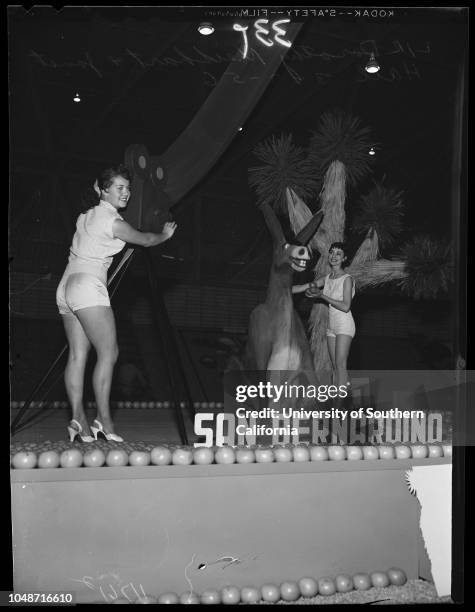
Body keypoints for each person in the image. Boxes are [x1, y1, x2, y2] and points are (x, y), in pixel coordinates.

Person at [56, 164, 177, 442]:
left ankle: (77, 419)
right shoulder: (114, 222)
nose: (126, 193)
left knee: (77, 355)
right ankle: (104, 421)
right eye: (120, 188)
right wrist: (165, 235)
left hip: (66, 286)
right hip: (87, 286)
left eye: (128, 188)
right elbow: (146, 240)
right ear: (104, 190)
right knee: (108, 354)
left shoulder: (83, 217)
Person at [294, 242, 355, 389]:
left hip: (344, 325)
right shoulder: (327, 278)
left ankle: (342, 403)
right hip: (332, 326)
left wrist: (322, 295)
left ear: (344, 258)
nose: (334, 256)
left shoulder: (347, 279)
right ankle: (338, 400)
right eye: (332, 252)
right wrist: (282, 288)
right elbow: (305, 286)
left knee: (340, 366)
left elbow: (345, 306)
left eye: (338, 254)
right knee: (335, 367)